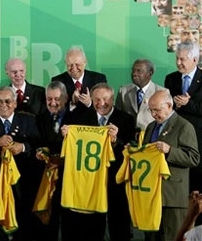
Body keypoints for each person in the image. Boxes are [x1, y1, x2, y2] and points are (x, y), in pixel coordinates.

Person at [60, 83, 136, 241]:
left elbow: (133, 149)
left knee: (119, 223)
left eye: (106, 99)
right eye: (97, 99)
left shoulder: (126, 119)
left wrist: (116, 140)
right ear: (91, 100)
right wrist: (66, 136)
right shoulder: (80, 119)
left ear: (113, 98)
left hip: (116, 179)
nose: (101, 103)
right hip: (91, 181)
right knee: (92, 225)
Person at [0, 86, 41, 241]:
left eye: (8, 101)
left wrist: (21, 147)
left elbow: (37, 144)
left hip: (22, 182)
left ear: (15, 103)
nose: (3, 105)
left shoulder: (28, 120)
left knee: (24, 223)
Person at [143, 90, 200, 241]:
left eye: (157, 110)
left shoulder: (184, 126)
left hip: (173, 198)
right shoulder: (150, 127)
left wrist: (170, 151)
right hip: (151, 195)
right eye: (151, 110)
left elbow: (194, 158)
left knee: (172, 237)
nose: (153, 114)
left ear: (169, 105)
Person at [34, 81, 70, 241]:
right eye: (49, 99)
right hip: (44, 179)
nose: (53, 103)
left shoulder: (77, 118)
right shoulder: (39, 119)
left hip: (68, 178)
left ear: (66, 98)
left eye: (57, 98)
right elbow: (36, 142)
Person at [165, 41, 202, 193]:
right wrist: (172, 105)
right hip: (175, 139)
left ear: (195, 60)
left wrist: (188, 104)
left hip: (198, 138)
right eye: (177, 59)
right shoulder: (171, 78)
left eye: (182, 59)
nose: (178, 63)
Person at [115, 59, 167, 130]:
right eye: (133, 70)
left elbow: (165, 118)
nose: (134, 73)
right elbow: (117, 115)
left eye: (139, 71)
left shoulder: (162, 92)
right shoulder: (123, 91)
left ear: (150, 73)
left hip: (150, 135)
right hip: (127, 135)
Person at [51, 46, 107, 111]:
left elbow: (105, 109)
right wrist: (72, 103)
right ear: (65, 63)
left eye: (77, 64)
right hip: (68, 120)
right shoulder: (57, 82)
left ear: (85, 62)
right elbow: (54, 110)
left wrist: (89, 103)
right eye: (70, 65)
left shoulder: (99, 80)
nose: (74, 68)